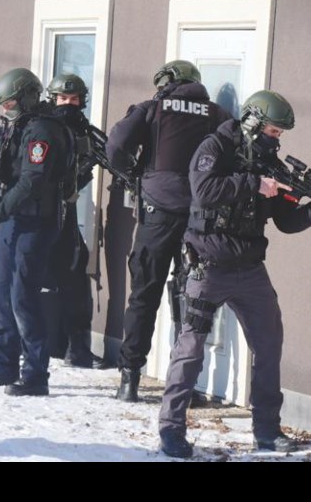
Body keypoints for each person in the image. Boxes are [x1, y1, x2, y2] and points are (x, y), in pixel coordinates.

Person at [157, 90, 311, 458]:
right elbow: (205, 191)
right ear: (254, 123)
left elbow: (285, 220)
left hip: (250, 269)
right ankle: (171, 430)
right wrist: (253, 184)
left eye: (280, 134)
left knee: (270, 344)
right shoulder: (217, 147)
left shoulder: (270, 162)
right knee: (191, 348)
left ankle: (267, 431)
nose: (278, 139)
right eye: (274, 131)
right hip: (207, 265)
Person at [105, 59, 230, 402]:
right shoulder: (217, 115)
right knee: (191, 299)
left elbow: (115, 147)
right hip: (198, 217)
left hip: (156, 213)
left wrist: (134, 174)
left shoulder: (151, 109)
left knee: (144, 296)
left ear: (170, 81)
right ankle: (184, 386)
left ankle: (129, 381)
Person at [0, 68, 71, 396]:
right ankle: (3, 364)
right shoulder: (22, 125)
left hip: (34, 221)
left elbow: (32, 179)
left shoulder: (42, 129)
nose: (6, 109)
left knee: (22, 296)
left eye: (11, 102)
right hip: (14, 220)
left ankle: (36, 373)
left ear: (26, 97)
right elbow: (14, 170)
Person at [44, 73, 97, 368]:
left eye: (74, 100)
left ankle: (77, 347)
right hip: (39, 215)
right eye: (62, 99)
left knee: (75, 276)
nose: (68, 105)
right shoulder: (41, 128)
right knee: (21, 278)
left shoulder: (83, 131)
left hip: (68, 213)